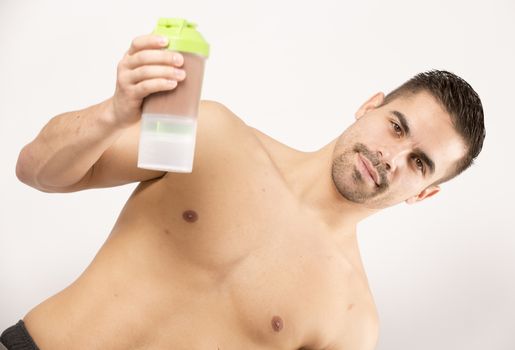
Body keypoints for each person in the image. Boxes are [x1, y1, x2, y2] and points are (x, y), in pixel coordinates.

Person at [1, 33, 485, 350]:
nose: (391, 158)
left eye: (420, 164)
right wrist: (114, 114)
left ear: (424, 195)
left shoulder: (352, 321)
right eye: (397, 128)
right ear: (369, 107)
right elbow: (37, 171)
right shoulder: (212, 137)